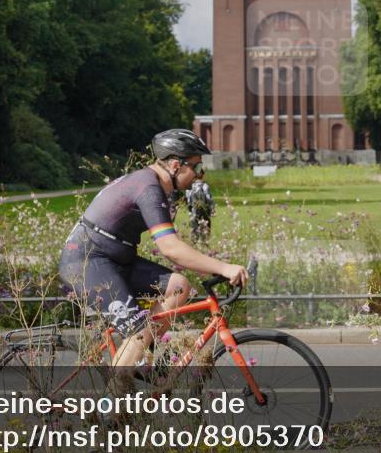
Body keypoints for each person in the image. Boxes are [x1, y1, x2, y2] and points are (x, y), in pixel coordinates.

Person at [58, 129, 247, 370]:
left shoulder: (153, 183)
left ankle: (137, 356)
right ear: (177, 165)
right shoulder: (148, 187)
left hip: (116, 260)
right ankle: (113, 402)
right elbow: (171, 248)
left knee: (178, 286)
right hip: (86, 262)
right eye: (197, 168)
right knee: (137, 331)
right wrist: (224, 267)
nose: (200, 176)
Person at [185, 177, 215, 246]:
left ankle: (194, 245)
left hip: (194, 211)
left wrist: (190, 211)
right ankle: (205, 244)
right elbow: (209, 198)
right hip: (205, 211)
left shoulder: (189, 187)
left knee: (194, 228)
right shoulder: (205, 186)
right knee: (206, 227)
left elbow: (188, 200)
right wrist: (212, 209)